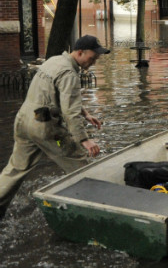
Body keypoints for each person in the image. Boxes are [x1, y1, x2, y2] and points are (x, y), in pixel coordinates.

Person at [0, 35, 110, 220]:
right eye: (92, 57)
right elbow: (70, 112)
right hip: (45, 129)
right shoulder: (70, 74)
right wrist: (84, 139)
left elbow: (58, 95)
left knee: (15, 170)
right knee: (79, 161)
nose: (94, 61)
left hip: (23, 122)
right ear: (80, 52)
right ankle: (94, 213)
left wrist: (86, 114)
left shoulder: (54, 61)